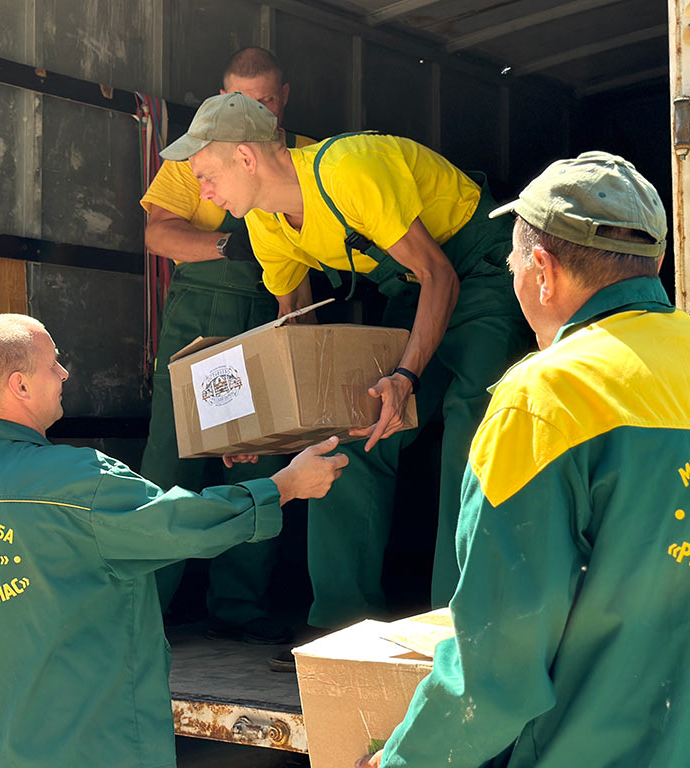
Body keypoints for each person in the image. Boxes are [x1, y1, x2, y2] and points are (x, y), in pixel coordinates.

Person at [358, 151, 690, 767]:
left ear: (542, 269)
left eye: (511, 265)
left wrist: (402, 761)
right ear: (657, 262)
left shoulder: (542, 402)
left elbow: (498, 666)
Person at [160, 93, 531, 648]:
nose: (203, 192)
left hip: (475, 271)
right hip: (410, 289)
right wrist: (264, 428)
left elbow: (440, 274)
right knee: (352, 435)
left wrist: (405, 377)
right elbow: (295, 338)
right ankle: (340, 632)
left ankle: (460, 635)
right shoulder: (266, 225)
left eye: (206, 175)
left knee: (472, 435)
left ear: (245, 157)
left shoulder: (348, 170)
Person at [0, 313, 347, 768]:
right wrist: (285, 485)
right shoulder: (77, 481)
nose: (64, 373)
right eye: (53, 364)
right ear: (20, 386)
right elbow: (180, 521)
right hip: (80, 744)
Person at [139, 47, 315, 643]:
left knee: (263, 454)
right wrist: (227, 247)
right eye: (236, 98)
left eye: (262, 99)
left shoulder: (304, 157)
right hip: (202, 313)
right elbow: (158, 231)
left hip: (268, 308)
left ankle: (241, 609)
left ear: (283, 97)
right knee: (174, 457)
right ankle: (146, 610)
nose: (249, 109)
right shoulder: (200, 151)